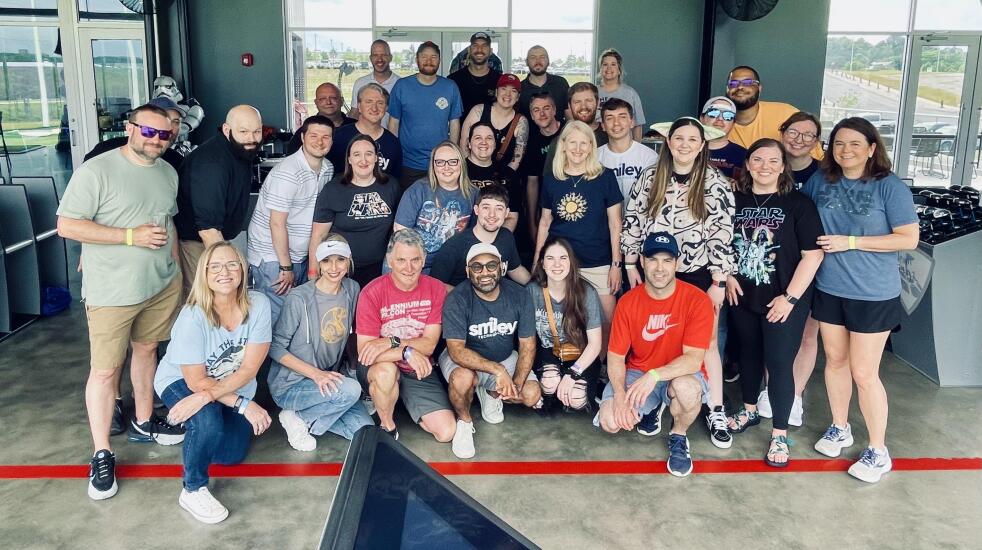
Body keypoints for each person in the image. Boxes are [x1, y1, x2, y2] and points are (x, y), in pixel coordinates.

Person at [57, 104, 185, 500]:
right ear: (130, 129)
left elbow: (167, 222)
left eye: (165, 134)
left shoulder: (167, 173)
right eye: (149, 132)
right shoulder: (97, 171)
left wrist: (176, 272)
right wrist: (130, 237)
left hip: (159, 285)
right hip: (112, 292)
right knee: (105, 371)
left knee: (147, 350)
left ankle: (144, 421)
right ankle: (102, 452)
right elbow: (67, 225)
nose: (157, 140)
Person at [802, 117, 919, 483]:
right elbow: (800, 216)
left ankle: (878, 450)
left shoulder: (890, 186)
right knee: (835, 361)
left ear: (871, 148)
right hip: (830, 287)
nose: (845, 150)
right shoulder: (821, 181)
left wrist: (850, 242)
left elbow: (908, 238)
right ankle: (840, 427)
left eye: (855, 144)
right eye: (838, 143)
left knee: (864, 373)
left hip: (872, 293)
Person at [621, 117, 734, 450]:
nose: (684, 144)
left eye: (692, 139)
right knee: (657, 336)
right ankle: (658, 401)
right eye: (678, 138)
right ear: (668, 142)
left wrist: (719, 279)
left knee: (707, 342)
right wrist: (630, 262)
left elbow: (722, 232)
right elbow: (634, 220)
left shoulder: (715, 182)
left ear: (702, 145)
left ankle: (715, 407)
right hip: (655, 268)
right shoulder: (650, 177)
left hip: (697, 272)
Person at [153, 242, 272, 524]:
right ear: (204, 274)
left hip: (225, 385)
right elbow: (195, 381)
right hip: (180, 380)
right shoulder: (193, 316)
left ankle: (190, 425)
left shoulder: (259, 305)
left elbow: (249, 369)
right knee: (207, 422)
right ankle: (192, 488)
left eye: (231, 264)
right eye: (215, 266)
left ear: (242, 269)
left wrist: (210, 397)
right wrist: (243, 405)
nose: (224, 272)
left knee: (228, 455)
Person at [724, 139, 824, 467]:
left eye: (772, 160)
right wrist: (728, 275)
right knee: (748, 354)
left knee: (780, 364)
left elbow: (813, 255)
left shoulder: (799, 204)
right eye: (757, 159)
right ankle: (749, 410)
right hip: (743, 295)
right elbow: (721, 241)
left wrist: (790, 298)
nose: (764, 166)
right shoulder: (735, 200)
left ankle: (780, 432)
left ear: (783, 166)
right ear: (747, 164)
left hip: (783, 299)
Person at [597, 232, 714, 478]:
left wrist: (654, 375)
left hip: (679, 375)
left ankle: (678, 435)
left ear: (677, 264)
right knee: (610, 421)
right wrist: (620, 395)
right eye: (653, 259)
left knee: (686, 390)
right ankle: (652, 407)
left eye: (667, 260)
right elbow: (616, 357)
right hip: (639, 372)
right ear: (642, 261)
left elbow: (693, 359)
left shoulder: (697, 300)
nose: (659, 268)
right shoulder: (628, 302)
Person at [269, 236, 374, 452]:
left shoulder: (352, 289)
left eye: (340, 260)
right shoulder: (299, 298)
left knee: (365, 432)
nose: (333, 268)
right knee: (351, 390)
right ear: (318, 263)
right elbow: (275, 347)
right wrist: (316, 374)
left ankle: (303, 417)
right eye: (326, 260)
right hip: (293, 384)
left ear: (349, 261)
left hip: (329, 380)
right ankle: (295, 415)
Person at [355, 229, 457, 442]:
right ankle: (387, 426)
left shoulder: (435, 288)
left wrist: (391, 342)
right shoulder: (371, 292)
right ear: (389, 261)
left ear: (424, 260)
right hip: (381, 365)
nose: (408, 268)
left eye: (415, 260)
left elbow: (428, 345)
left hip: (417, 367)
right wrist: (406, 352)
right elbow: (366, 353)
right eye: (401, 260)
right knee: (386, 373)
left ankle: (398, 396)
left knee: (446, 432)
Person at [756, 111, 825, 425]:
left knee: (807, 333)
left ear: (816, 141)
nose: (799, 139)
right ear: (782, 132)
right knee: (774, 330)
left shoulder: (824, 174)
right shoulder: (765, 165)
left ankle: (794, 395)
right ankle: (771, 389)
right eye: (793, 132)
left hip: (815, 263)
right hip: (775, 267)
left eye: (808, 135)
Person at [440, 243, 540, 459]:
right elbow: (456, 351)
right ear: (468, 271)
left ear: (502, 268)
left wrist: (515, 384)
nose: (484, 272)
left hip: (504, 356)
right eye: (477, 267)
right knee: (462, 379)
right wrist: (498, 371)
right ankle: (464, 422)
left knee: (531, 394)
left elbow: (527, 344)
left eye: (491, 265)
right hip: (466, 361)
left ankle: (491, 393)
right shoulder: (457, 298)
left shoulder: (520, 295)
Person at [534, 120, 623, 342]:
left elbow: (615, 224)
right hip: (560, 263)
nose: (578, 148)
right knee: (564, 320)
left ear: (591, 147)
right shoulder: (552, 179)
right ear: (563, 145)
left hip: (598, 261)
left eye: (584, 143)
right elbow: (545, 222)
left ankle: (601, 363)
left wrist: (616, 265)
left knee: (607, 321)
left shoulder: (605, 177)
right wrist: (537, 260)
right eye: (572, 142)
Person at [247, 114, 334, 322]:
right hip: (273, 256)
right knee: (280, 319)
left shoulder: (327, 168)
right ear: (302, 137)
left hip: (300, 256)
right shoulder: (288, 172)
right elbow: (276, 223)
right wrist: (285, 267)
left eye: (326, 137)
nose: (320, 142)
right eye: (313, 136)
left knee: (297, 316)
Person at [174, 105, 262, 296]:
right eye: (244, 132)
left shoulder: (238, 150)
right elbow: (208, 229)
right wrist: (227, 266)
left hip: (216, 240)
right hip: (201, 245)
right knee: (205, 302)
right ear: (227, 129)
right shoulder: (211, 162)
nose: (252, 138)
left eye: (257, 131)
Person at [310, 134, 398, 287]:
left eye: (368, 154)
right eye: (357, 155)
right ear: (349, 159)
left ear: (376, 158)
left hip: (380, 269)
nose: (363, 160)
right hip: (340, 270)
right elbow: (318, 235)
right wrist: (313, 271)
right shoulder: (333, 189)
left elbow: (398, 228)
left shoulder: (391, 185)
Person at [527, 236, 603, 413]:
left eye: (563, 258)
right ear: (542, 264)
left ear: (571, 262)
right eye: (550, 258)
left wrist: (573, 374)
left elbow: (595, 344)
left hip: (580, 354)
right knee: (549, 383)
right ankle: (552, 397)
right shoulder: (532, 291)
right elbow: (526, 339)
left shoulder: (586, 292)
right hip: (549, 351)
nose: (557, 264)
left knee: (576, 399)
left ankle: (568, 394)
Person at [388, 41, 463, 192]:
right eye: (424, 57)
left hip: (441, 164)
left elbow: (454, 123)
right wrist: (394, 155)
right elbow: (393, 123)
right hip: (408, 163)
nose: (429, 61)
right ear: (417, 59)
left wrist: (452, 156)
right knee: (410, 204)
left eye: (433, 57)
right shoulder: (402, 86)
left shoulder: (450, 87)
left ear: (439, 60)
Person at [393, 141, 477, 272]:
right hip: (414, 263)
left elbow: (475, 235)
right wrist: (415, 264)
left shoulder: (473, 194)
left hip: (450, 265)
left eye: (452, 162)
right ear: (433, 166)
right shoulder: (418, 189)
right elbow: (400, 231)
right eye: (440, 162)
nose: (446, 167)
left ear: (461, 164)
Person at [430, 183, 530, 290]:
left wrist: (537, 287)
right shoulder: (454, 246)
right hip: (464, 299)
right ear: (476, 210)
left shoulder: (506, 237)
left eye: (499, 208)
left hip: (498, 297)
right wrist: (466, 297)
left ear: (506, 213)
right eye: (486, 207)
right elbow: (434, 285)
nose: (492, 214)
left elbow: (515, 269)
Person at [724, 65, 821, 158]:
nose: (740, 87)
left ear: (759, 88)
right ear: (727, 89)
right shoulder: (719, 122)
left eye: (748, 82)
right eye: (733, 83)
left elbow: (814, 160)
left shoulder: (786, 114)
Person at [84, 97, 185, 170]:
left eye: (176, 122)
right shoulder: (105, 151)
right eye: (162, 120)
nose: (169, 128)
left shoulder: (176, 162)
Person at [326, 83, 402, 179]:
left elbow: (394, 181)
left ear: (386, 108)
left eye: (380, 103)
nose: (374, 108)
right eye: (368, 102)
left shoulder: (393, 143)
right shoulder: (338, 137)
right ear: (359, 106)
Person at [460, 74, 529, 175]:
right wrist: (469, 171)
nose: (508, 94)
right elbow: (464, 143)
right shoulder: (478, 111)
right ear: (496, 92)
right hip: (473, 172)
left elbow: (517, 158)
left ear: (518, 97)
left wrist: (504, 178)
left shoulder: (520, 121)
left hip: (504, 176)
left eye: (513, 91)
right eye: (503, 89)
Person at [597, 98, 659, 205]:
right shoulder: (594, 157)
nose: (616, 123)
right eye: (609, 118)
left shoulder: (650, 157)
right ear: (603, 126)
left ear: (632, 122)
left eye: (622, 117)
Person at [520, 92, 562, 246]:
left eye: (546, 108)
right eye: (536, 110)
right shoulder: (532, 142)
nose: (542, 114)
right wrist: (532, 222)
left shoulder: (569, 132)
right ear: (531, 115)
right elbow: (533, 182)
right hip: (547, 205)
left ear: (554, 110)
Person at [463, 122, 520, 230]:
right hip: (463, 235)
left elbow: (511, 217)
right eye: (478, 138)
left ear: (495, 144)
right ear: (469, 143)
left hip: (497, 236)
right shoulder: (458, 171)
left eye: (489, 138)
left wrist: (494, 240)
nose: (483, 142)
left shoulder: (507, 174)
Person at [287, 82, 355, 155]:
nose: (328, 102)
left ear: (342, 101)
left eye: (333, 98)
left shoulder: (356, 127)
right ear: (316, 103)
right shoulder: (305, 131)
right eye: (322, 99)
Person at [448, 32, 502, 116]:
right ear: (469, 50)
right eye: (475, 45)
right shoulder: (453, 80)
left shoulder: (500, 81)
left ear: (490, 51)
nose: (479, 50)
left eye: (484, 46)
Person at [596, 49, 645, 141]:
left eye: (613, 64)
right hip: (597, 143)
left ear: (619, 70)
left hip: (623, 144)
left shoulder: (630, 93)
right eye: (605, 64)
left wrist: (637, 147)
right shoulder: (593, 92)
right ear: (600, 69)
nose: (609, 68)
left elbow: (638, 125)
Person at [349, 39, 400, 126]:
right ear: (370, 58)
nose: (379, 59)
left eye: (384, 55)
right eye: (375, 55)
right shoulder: (360, 83)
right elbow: (354, 114)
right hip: (365, 134)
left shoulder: (401, 84)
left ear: (390, 57)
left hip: (392, 134)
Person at [699, 96, 746, 181]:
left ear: (733, 123)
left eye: (728, 115)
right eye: (713, 113)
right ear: (702, 119)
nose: (720, 119)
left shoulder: (745, 156)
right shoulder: (686, 150)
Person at [517, 45, 569, 122]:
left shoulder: (561, 83)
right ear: (526, 62)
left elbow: (569, 114)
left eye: (542, 57)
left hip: (561, 130)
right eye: (533, 57)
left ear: (548, 61)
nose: (538, 61)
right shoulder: (519, 88)